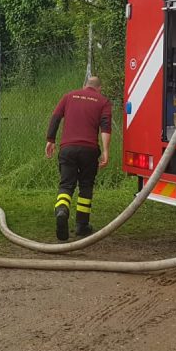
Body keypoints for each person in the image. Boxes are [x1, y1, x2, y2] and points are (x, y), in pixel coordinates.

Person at [45, 76, 112, 241]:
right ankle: (82, 225)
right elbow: (105, 127)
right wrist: (105, 150)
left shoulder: (69, 96)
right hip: (89, 150)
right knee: (86, 186)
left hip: (68, 148)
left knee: (66, 184)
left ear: (84, 86)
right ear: (99, 88)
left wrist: (50, 140)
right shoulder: (103, 101)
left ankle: (62, 210)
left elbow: (55, 117)